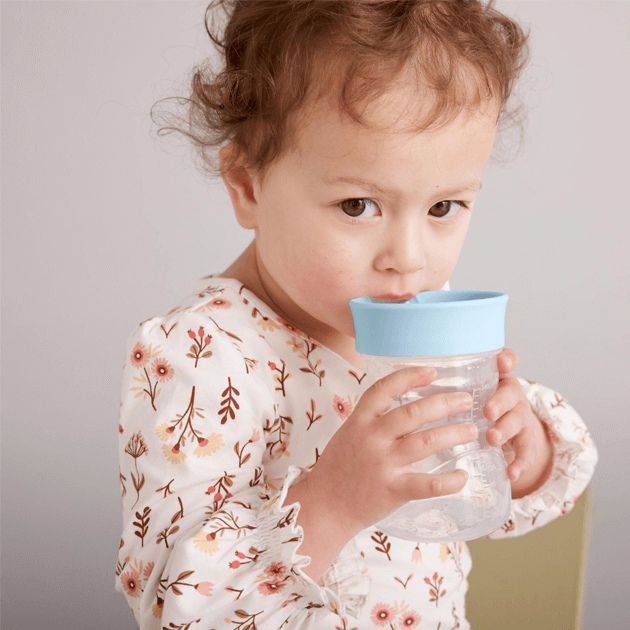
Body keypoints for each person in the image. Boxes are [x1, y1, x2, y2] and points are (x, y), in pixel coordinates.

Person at [115, 1, 598, 627]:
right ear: (248, 187)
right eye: (357, 206)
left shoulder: (419, 323)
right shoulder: (198, 357)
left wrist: (518, 450)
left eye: (443, 207)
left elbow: (477, 505)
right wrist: (334, 502)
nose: (408, 259)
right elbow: (176, 608)